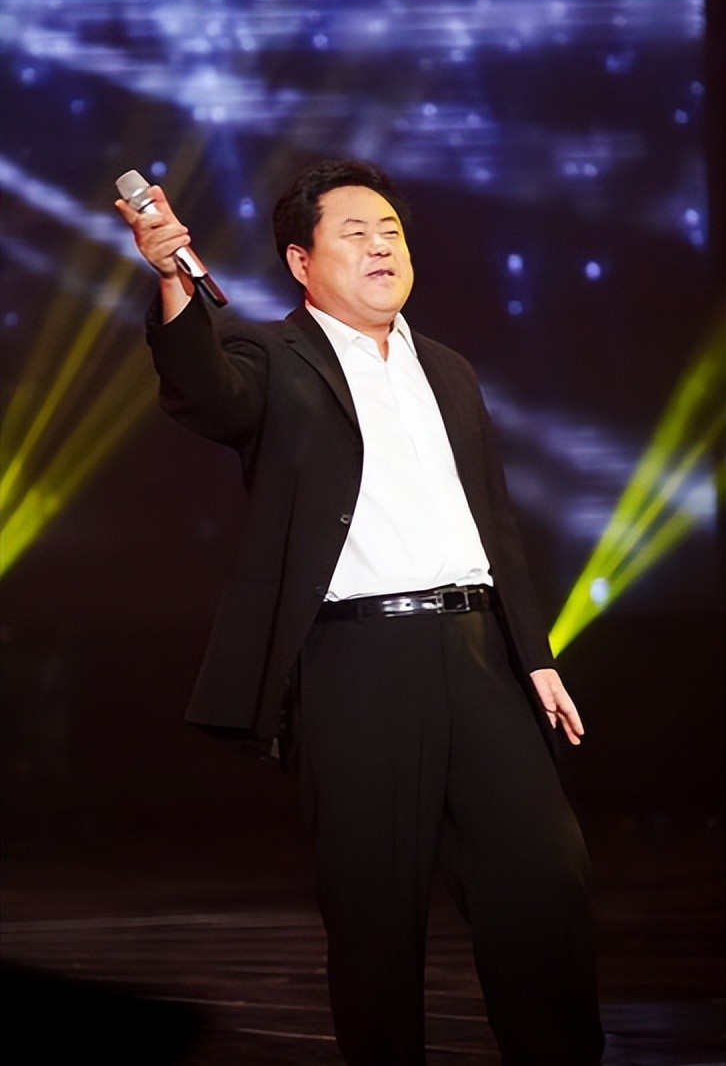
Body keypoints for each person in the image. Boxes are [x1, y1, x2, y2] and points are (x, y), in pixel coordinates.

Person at [116, 159, 605, 1066]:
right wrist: (172, 279)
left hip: (479, 657)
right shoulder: (272, 356)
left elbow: (492, 523)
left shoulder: (447, 369)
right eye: (356, 233)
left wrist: (534, 656)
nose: (382, 247)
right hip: (357, 665)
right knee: (375, 913)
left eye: (392, 232)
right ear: (301, 262)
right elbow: (205, 393)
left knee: (546, 881)